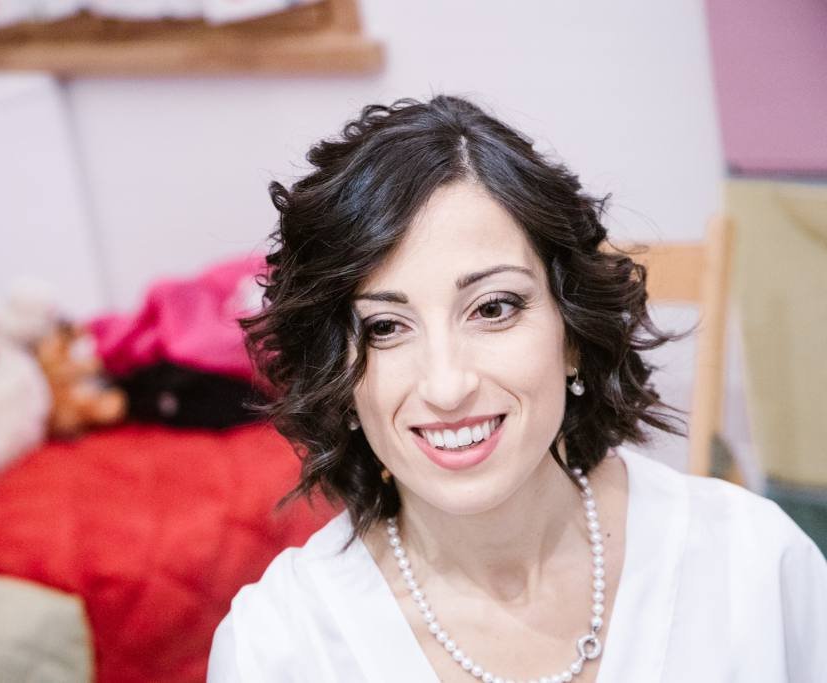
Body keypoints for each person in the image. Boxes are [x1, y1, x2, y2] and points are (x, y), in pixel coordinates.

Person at [207, 95, 827, 682]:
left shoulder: (753, 567)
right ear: (337, 379)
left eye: (493, 308)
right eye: (386, 327)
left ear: (572, 331)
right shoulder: (282, 645)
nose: (447, 386)